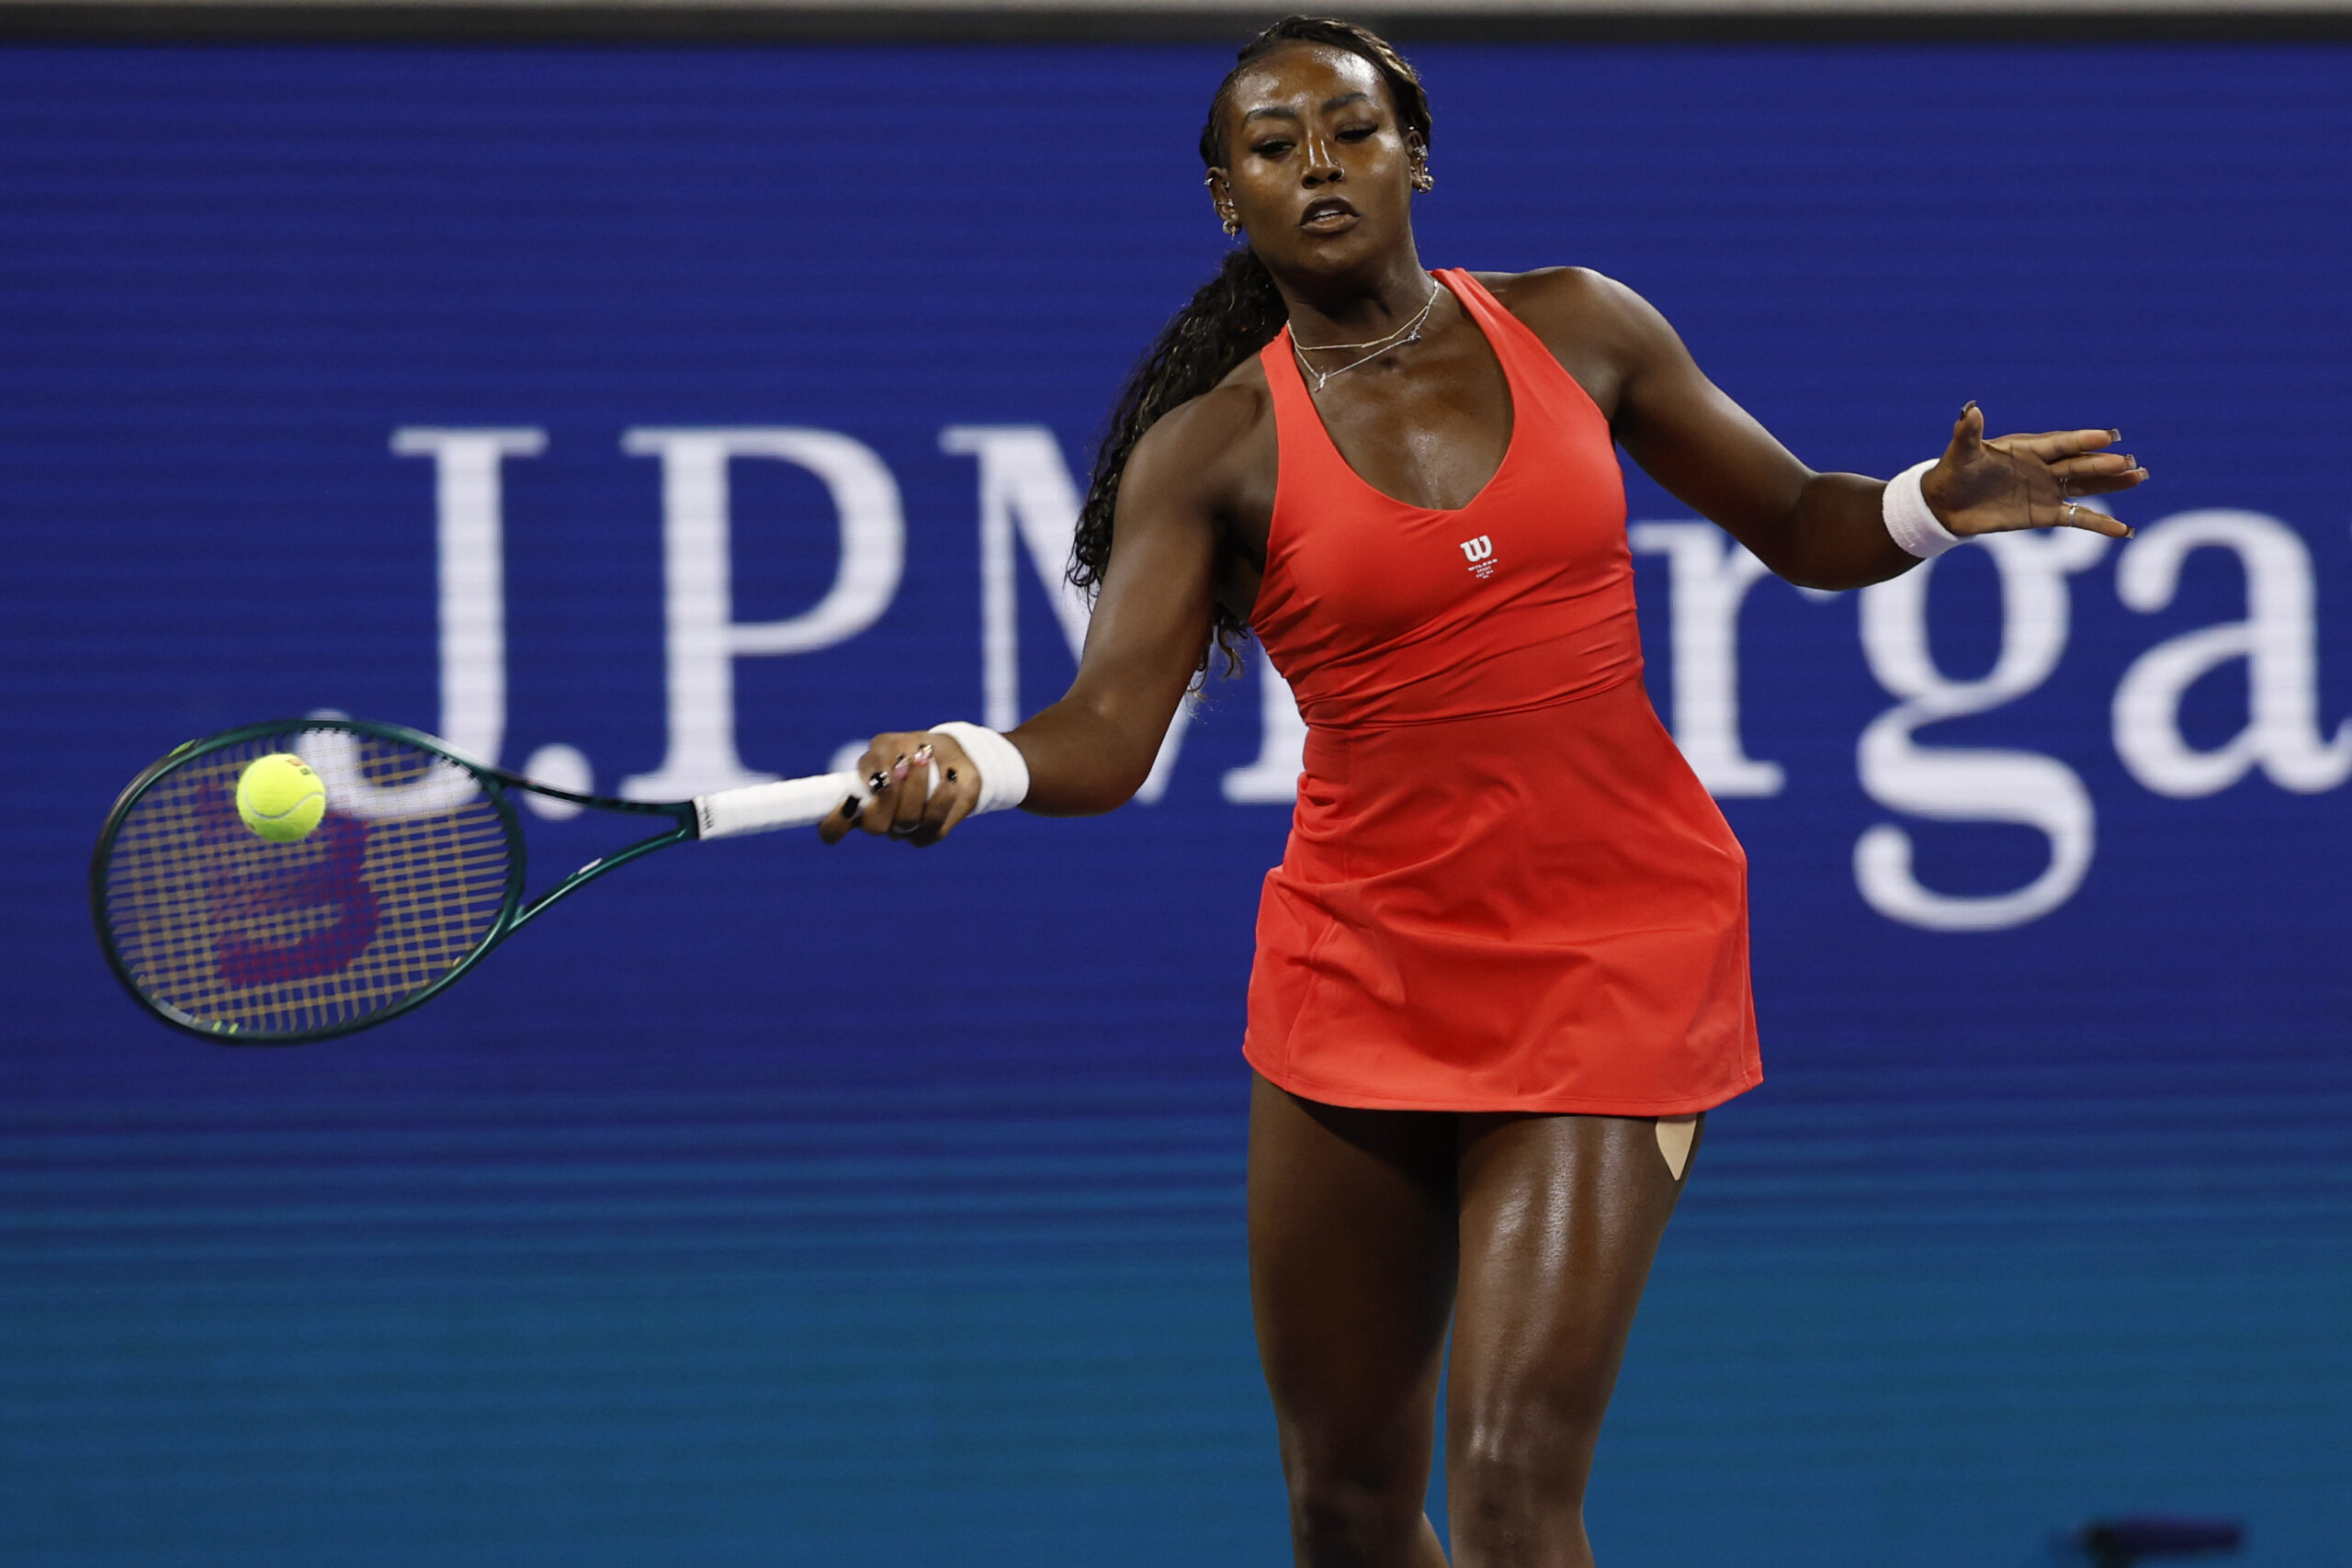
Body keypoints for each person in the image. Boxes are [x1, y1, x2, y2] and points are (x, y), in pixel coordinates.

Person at [820, 17, 2146, 1566]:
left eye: (1352, 129)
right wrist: (970, 765)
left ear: (1417, 156)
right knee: (1348, 1505)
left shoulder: (1580, 324)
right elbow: (1110, 731)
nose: (1317, 163)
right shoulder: (1210, 450)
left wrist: (1929, 503)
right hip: (1360, 970)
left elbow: (1795, 518)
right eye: (1271, 145)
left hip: (1616, 956)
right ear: (1224, 199)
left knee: (1515, 1489)